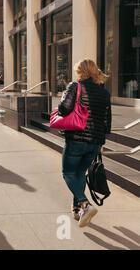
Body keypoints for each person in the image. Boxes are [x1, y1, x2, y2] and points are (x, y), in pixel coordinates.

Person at [58, 59, 111, 228]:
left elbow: (63, 109)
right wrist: (100, 139)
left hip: (76, 139)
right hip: (95, 141)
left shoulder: (75, 86)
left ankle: (85, 204)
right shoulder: (104, 92)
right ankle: (77, 210)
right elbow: (107, 121)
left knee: (67, 172)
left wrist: (64, 98)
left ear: (80, 71)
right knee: (80, 174)